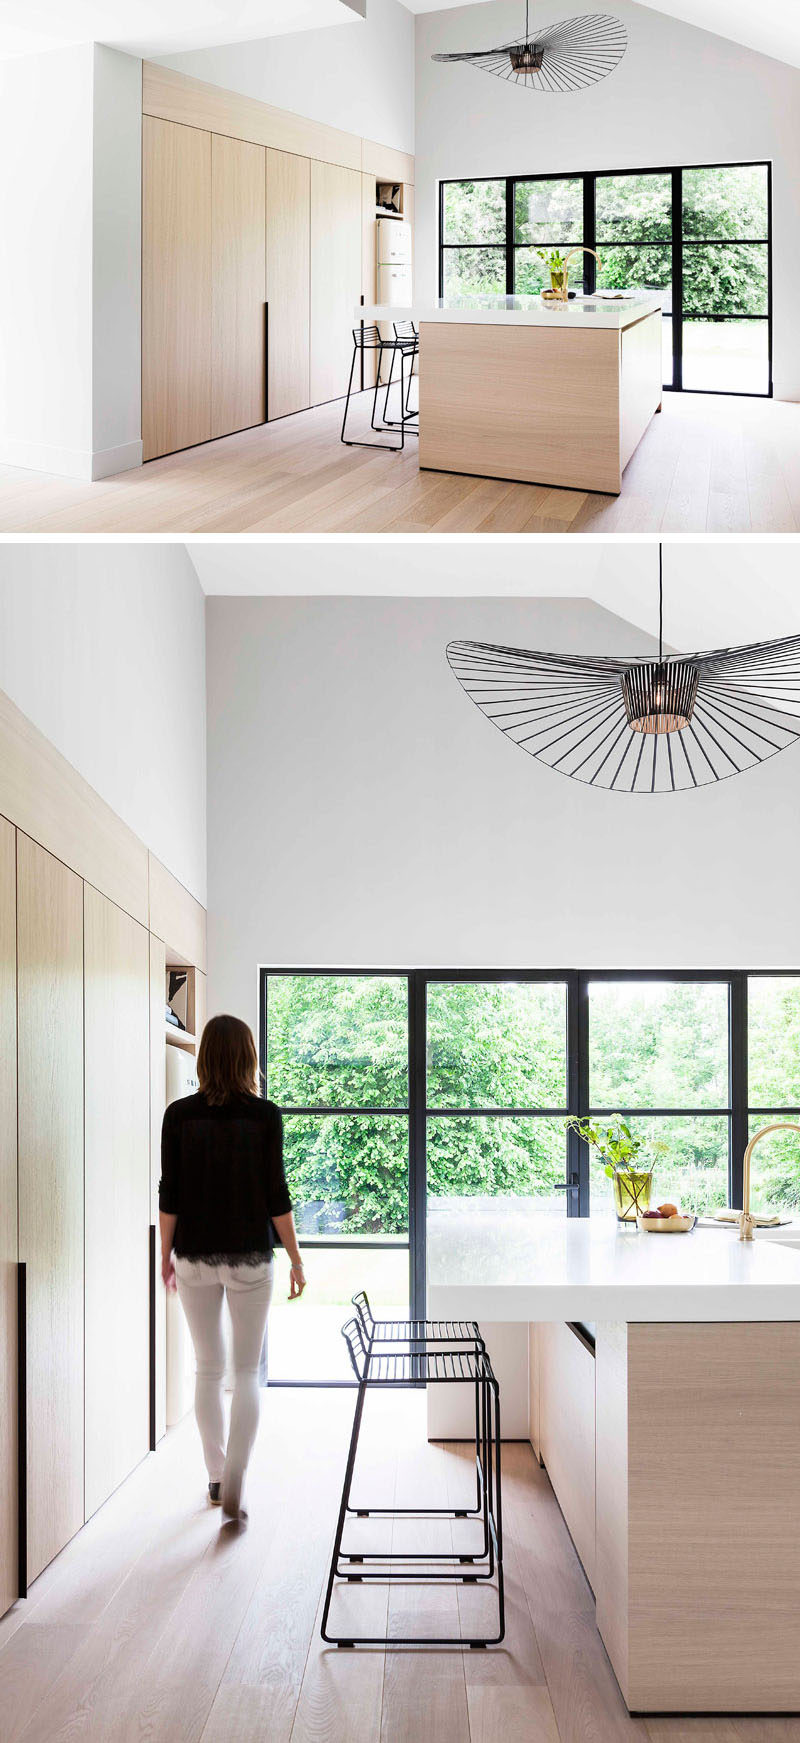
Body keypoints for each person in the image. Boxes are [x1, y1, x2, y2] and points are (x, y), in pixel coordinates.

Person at [159, 1012, 305, 1519]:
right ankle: (238, 1474)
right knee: (246, 1371)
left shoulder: (178, 1116)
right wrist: (296, 1259)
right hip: (249, 1257)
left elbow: (169, 1194)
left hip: (194, 1256)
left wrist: (165, 1255)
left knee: (207, 1369)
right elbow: (276, 1196)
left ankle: (217, 1478)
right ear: (248, 1058)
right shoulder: (265, 1117)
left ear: (204, 1059)